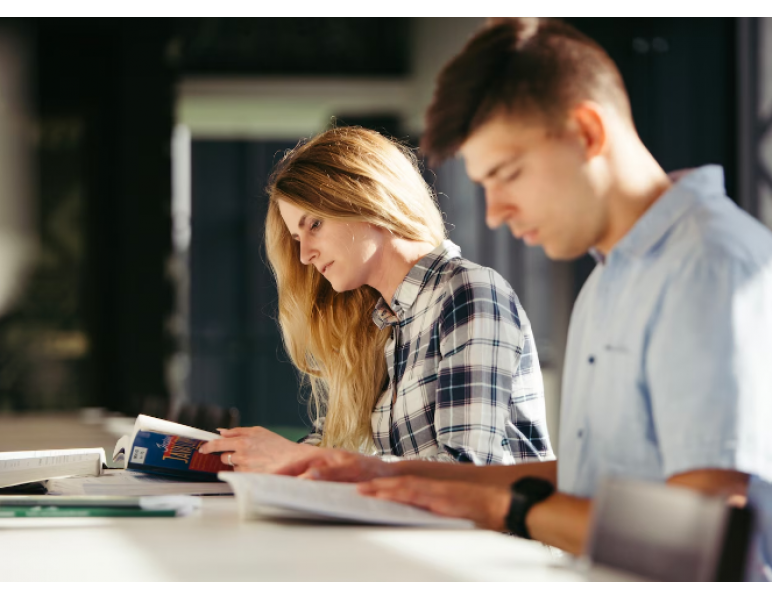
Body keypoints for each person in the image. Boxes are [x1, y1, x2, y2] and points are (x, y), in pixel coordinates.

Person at [277, 19, 772, 582]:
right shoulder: (610, 279)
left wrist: (505, 508)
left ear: (586, 131)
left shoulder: (709, 267)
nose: (493, 213)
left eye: (507, 174)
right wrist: (369, 475)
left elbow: (703, 534)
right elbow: (592, 484)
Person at [199, 126, 552, 473]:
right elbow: (331, 448)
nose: (304, 254)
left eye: (315, 224)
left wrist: (301, 462)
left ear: (366, 199)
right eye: (296, 237)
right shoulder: (379, 321)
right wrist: (244, 461)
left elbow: (470, 472)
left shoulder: (466, 292)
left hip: (479, 533)